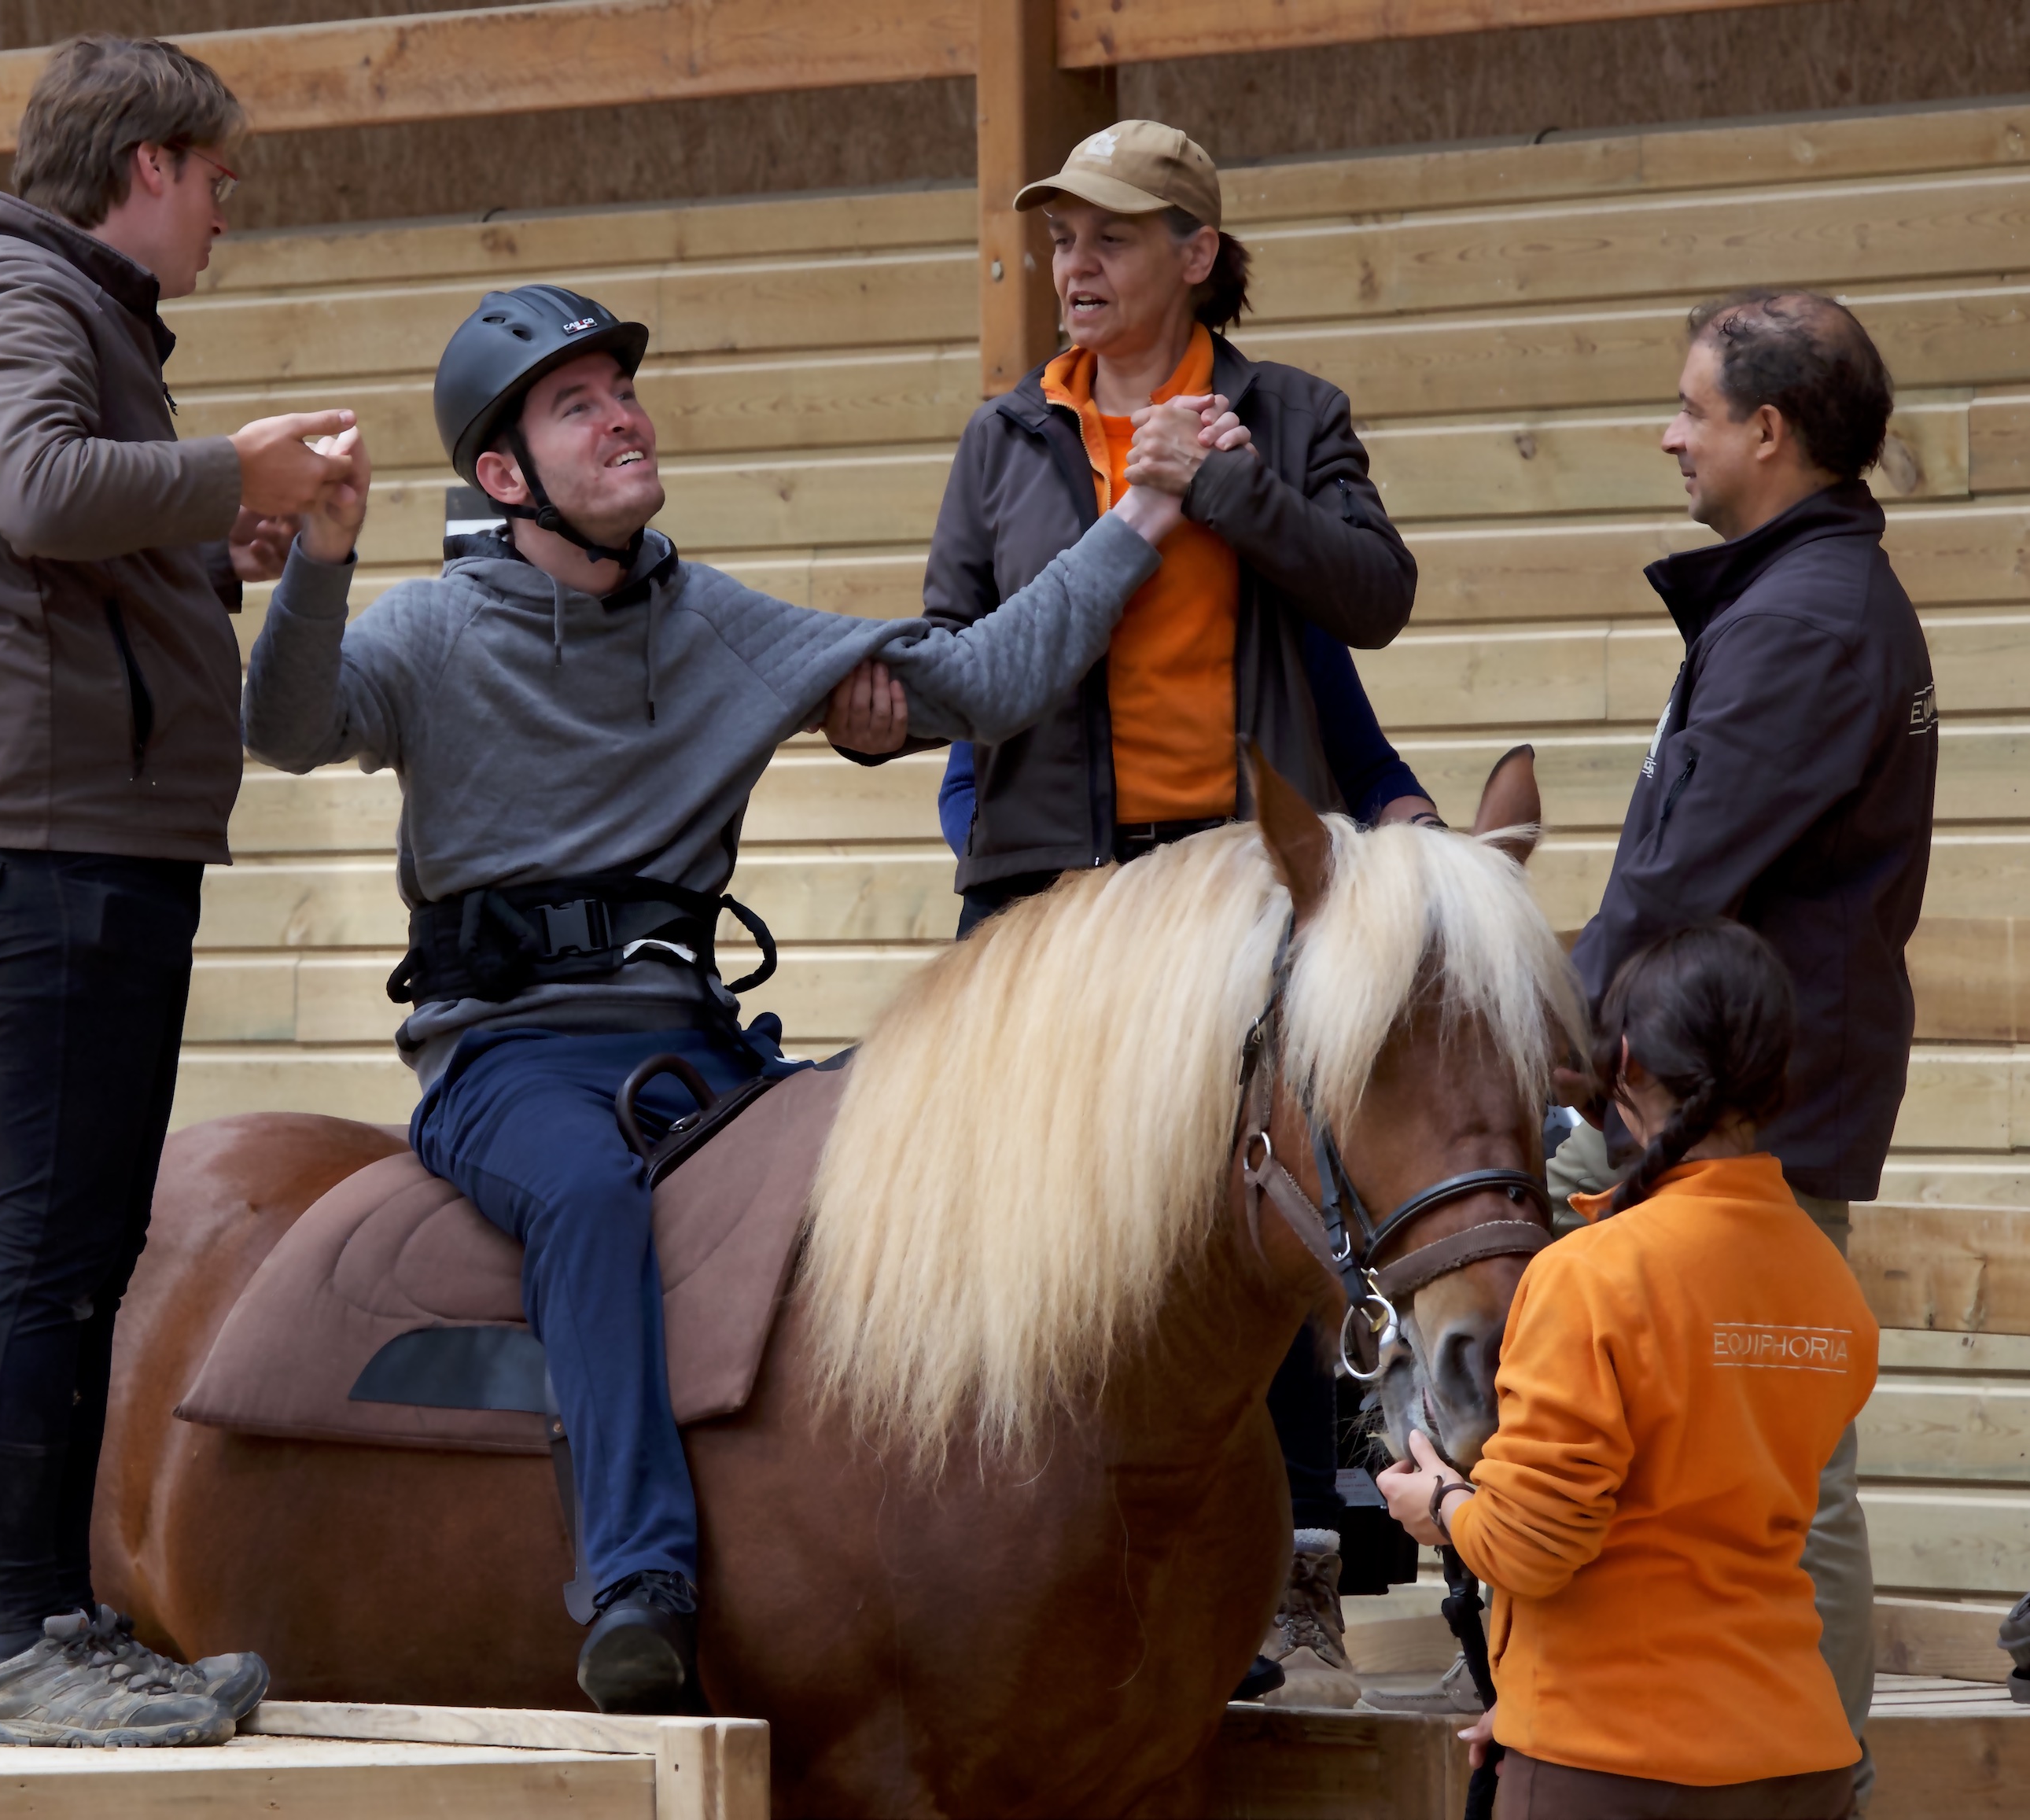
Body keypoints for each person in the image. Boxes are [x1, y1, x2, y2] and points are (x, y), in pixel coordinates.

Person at [240, 283, 1197, 1713]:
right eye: (578, 404)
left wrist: (1145, 514)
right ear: (505, 476)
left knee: (879, 1160)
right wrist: (321, 561)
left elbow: (989, 681)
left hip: (696, 1045)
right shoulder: (431, 632)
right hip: (507, 1061)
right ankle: (639, 1579)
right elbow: (286, 726)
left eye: (622, 387)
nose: (623, 412)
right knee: (584, 1195)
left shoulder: (721, 623)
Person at [879, 119, 1438, 1703]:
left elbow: (1374, 597)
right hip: (1058, 889)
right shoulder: (1005, 436)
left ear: (1194, 254)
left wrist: (1231, 491)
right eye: (1061, 238)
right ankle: (1058, 1563)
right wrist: (959, 800)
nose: (1075, 266)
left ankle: (1286, 1585)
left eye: (1110, 238)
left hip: (1243, 883)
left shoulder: (1291, 414)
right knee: (1060, 1234)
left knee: (1247, 1231)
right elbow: (952, 639)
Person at [0, 36, 359, 1746]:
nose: (227, 213)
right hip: (57, 846)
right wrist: (229, 474)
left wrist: (198, 544)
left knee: (76, 1248)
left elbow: (65, 541)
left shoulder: (56, 306)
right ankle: (21, 1640)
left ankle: (57, 1619)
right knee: (51, 1248)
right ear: (148, 166)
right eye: (219, 178)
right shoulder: (28, 295)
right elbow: (30, 488)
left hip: (90, 839)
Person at [1553, 290, 1931, 1811]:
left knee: (1790, 1452)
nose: (1671, 432)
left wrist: (1557, 1036)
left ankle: (1807, 1761)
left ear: (1768, 433)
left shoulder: (1804, 620)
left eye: (1692, 408)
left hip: (1732, 1100)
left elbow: (1676, 871)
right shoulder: (1805, 597)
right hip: (1718, 1086)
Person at [1380, 921, 1876, 1820]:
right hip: (1801, 1763)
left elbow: (1534, 1548)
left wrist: (1441, 1505)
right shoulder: (1828, 1280)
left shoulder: (1589, 1274)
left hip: (1613, 1770)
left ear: (1626, 1060)